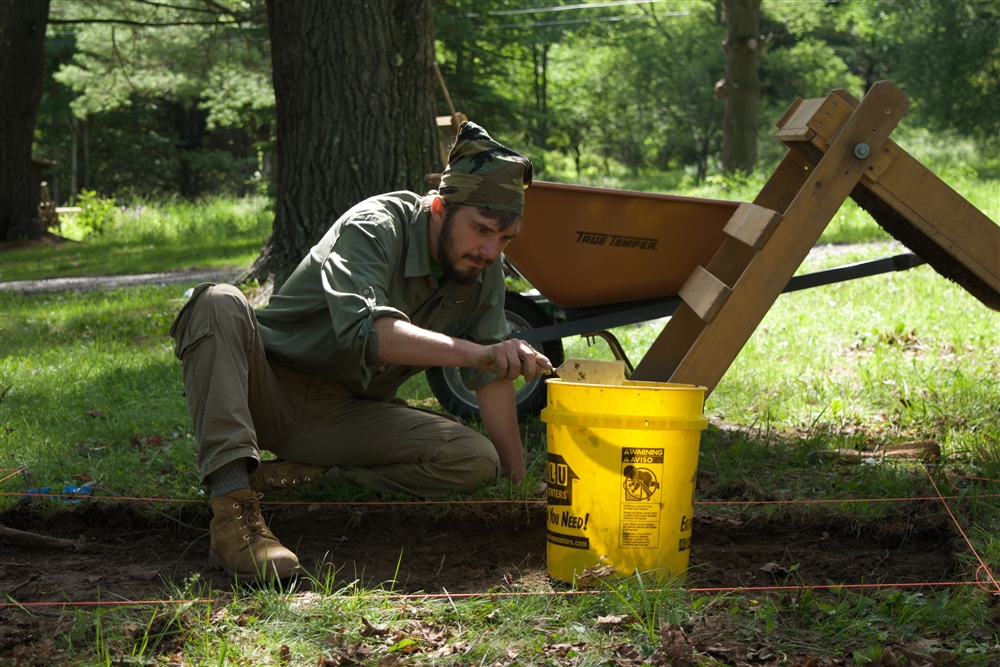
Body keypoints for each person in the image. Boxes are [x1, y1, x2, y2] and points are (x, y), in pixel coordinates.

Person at [168, 122, 551, 582]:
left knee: (474, 460)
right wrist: (476, 354)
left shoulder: (481, 266)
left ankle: (303, 476)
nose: (490, 250)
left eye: (505, 238)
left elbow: (492, 374)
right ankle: (232, 514)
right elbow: (371, 333)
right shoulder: (375, 226)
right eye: (481, 229)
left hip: (346, 415)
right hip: (264, 390)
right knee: (217, 301)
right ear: (439, 208)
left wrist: (516, 484)